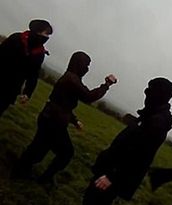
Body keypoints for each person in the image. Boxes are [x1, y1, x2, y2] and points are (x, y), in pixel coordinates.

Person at [62, 77, 172, 205]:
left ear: (159, 94)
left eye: (150, 89)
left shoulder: (157, 122)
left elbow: (139, 155)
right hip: (111, 173)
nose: (145, 92)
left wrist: (112, 176)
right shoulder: (153, 116)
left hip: (111, 177)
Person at [11, 51, 117, 185]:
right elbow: (88, 97)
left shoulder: (71, 78)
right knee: (65, 153)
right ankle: (41, 178)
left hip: (50, 118)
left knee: (38, 149)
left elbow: (63, 103)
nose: (87, 69)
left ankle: (21, 170)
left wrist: (74, 120)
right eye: (86, 65)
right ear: (80, 64)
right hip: (53, 122)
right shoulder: (71, 79)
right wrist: (106, 84)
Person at [0, 19, 53, 117]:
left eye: (48, 35)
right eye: (46, 33)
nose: (47, 37)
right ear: (37, 31)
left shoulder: (39, 54)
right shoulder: (16, 38)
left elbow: (33, 74)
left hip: (11, 89)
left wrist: (27, 92)